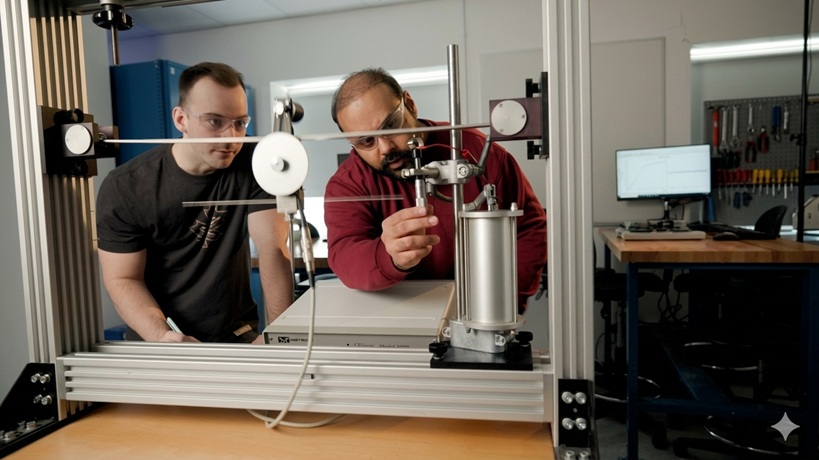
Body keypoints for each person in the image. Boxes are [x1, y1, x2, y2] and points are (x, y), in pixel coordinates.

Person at [96, 62, 293, 343]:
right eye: (215, 122)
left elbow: (272, 248)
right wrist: (162, 335)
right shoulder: (126, 187)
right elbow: (123, 279)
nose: (231, 138)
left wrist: (278, 336)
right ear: (180, 120)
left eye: (239, 123)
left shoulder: (256, 160)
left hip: (236, 333)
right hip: (161, 339)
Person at [324, 68, 547, 311]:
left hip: (482, 309)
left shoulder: (476, 152)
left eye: (390, 126)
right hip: (400, 313)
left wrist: (503, 302)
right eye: (366, 141)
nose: (385, 147)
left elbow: (529, 228)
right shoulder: (348, 183)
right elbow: (344, 253)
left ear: (409, 104)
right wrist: (389, 257)